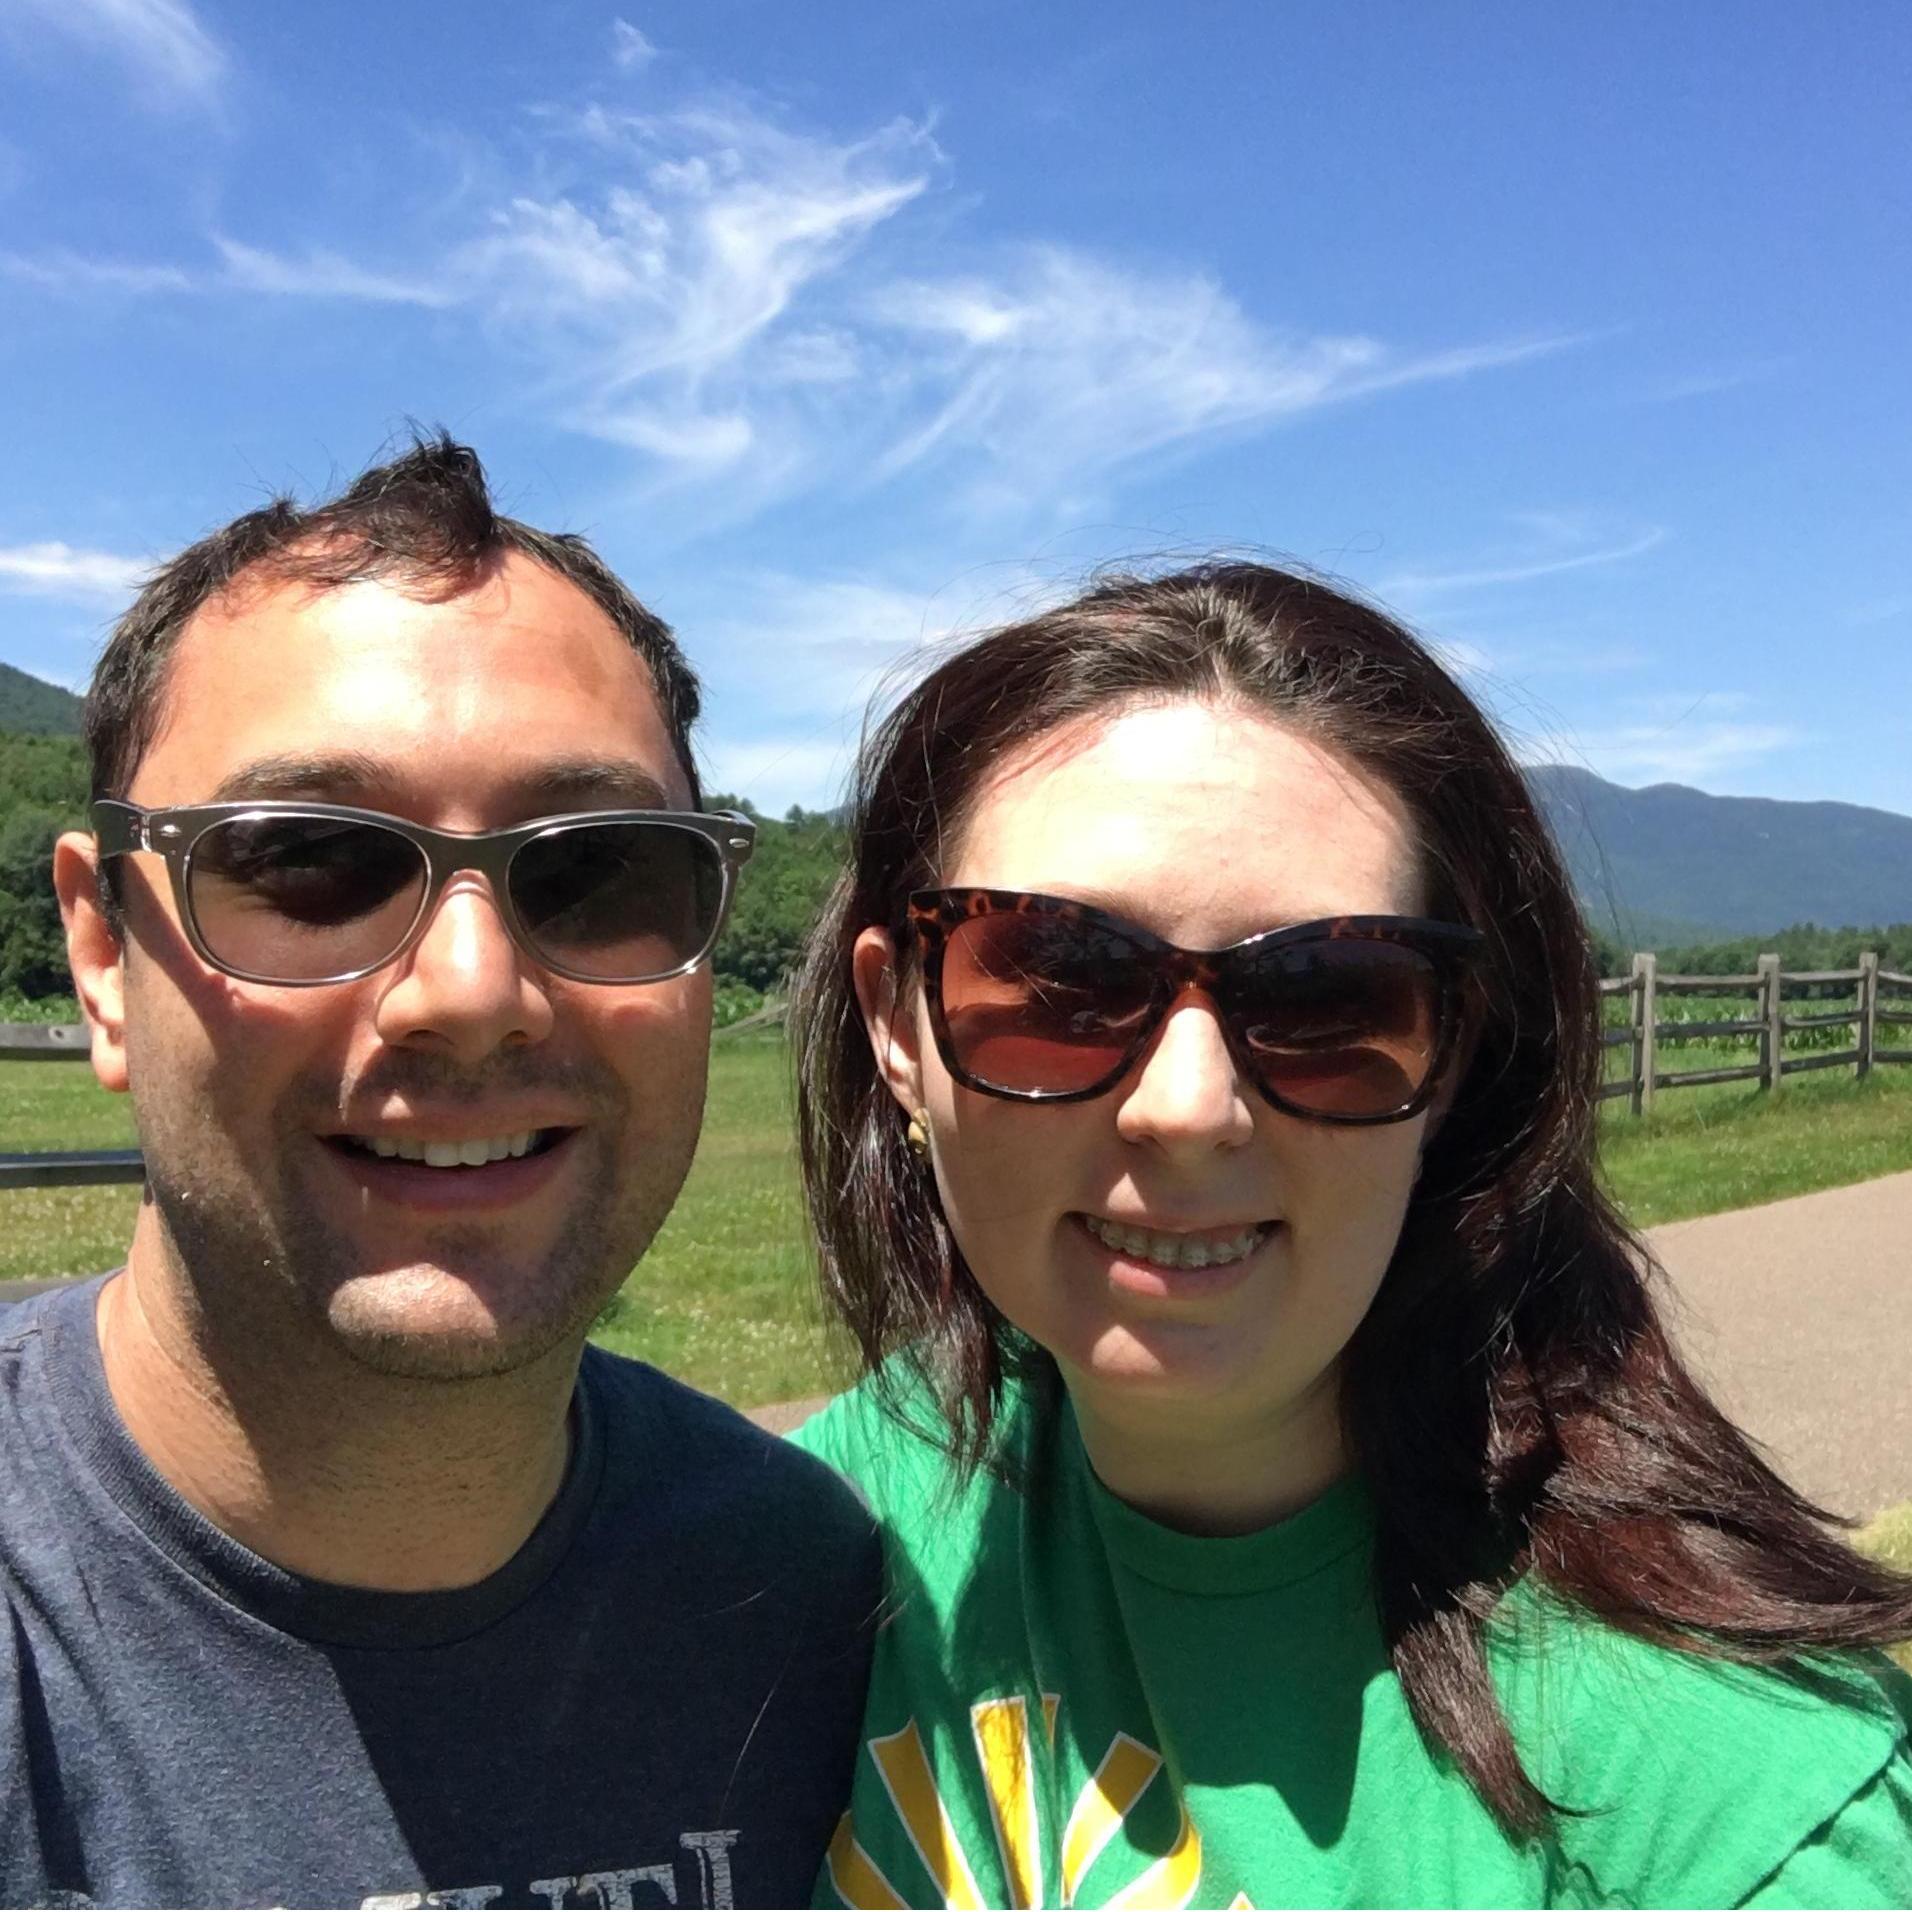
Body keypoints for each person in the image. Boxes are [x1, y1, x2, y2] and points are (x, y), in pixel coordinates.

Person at [787, 562, 1912, 1908]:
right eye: (1062, 982)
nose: (1187, 1110)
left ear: (1450, 1069)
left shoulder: (1733, 1810)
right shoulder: (825, 1522)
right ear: (899, 1027)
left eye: (1329, 1001)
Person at [0, 437, 879, 1910]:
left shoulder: (814, 1601)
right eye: (308, 861)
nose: (470, 990)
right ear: (102, 953)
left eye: (596, 871)